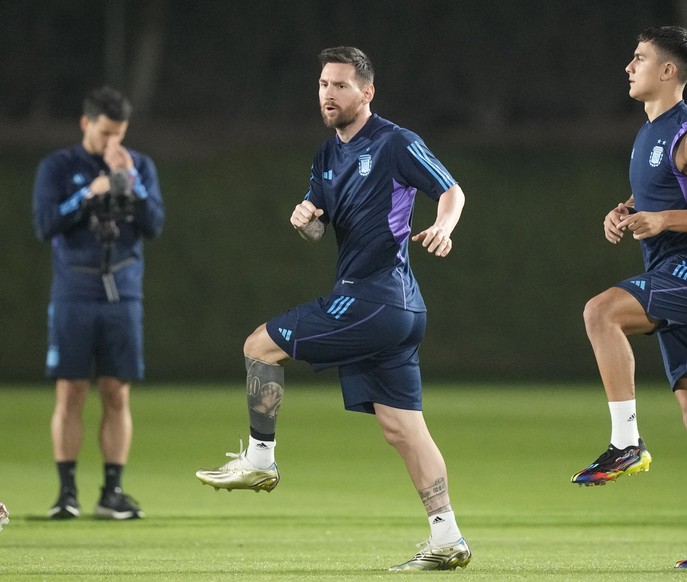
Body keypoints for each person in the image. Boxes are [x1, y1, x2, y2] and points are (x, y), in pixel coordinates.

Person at [195, 46, 471, 572]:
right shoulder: (326, 155)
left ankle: (260, 460)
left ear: (367, 93)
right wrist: (307, 223)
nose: (328, 93)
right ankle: (447, 537)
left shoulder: (395, 141)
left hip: (375, 297)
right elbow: (320, 226)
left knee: (259, 346)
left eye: (341, 85)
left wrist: (443, 226)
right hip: (394, 309)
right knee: (403, 429)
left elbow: (452, 190)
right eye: (323, 84)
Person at [570, 26, 687, 569]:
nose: (629, 67)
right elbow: (665, 190)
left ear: (668, 71)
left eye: (639, 58)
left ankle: (626, 443)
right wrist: (626, 210)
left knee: (601, 310)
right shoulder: (651, 130)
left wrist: (664, 219)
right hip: (676, 273)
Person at [33, 86, 165, 520]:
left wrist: (135, 185)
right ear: (86, 123)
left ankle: (112, 492)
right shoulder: (59, 166)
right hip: (74, 292)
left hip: (123, 293)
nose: (114, 143)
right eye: (106, 133)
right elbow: (46, 224)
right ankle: (66, 493)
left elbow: (154, 225)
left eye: (120, 134)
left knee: (116, 392)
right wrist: (90, 193)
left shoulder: (138, 164)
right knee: (70, 392)